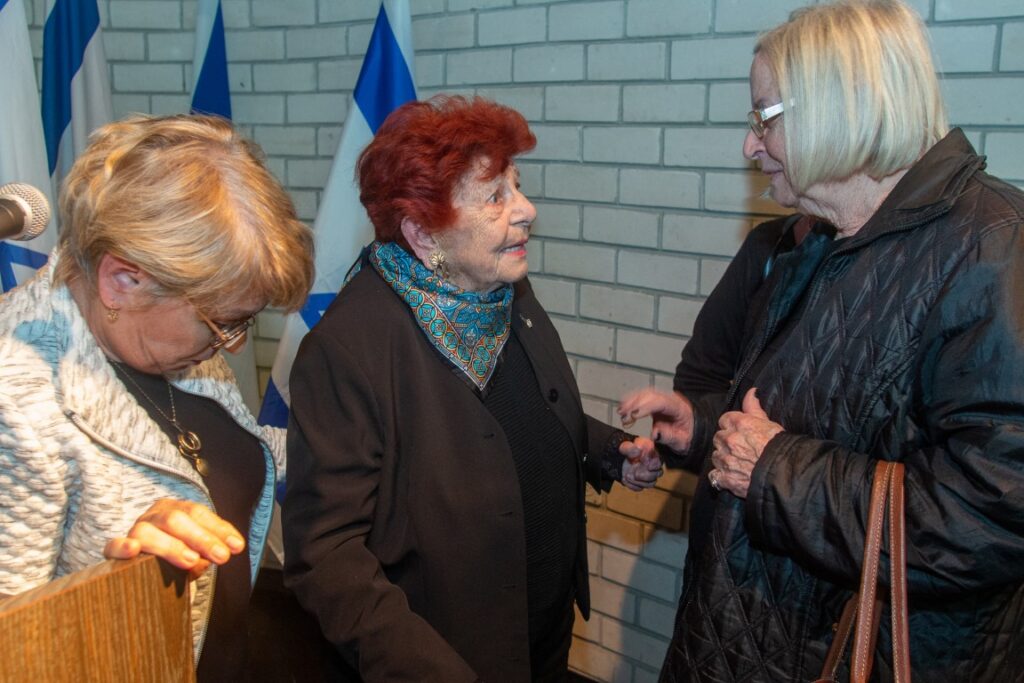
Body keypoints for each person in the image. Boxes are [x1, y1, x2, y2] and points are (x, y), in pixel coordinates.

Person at [619, 1, 1024, 680]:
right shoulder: (822, 241)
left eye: (764, 117)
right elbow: (810, 420)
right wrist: (708, 425)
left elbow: (993, 514)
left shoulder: (992, 248)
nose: (750, 146)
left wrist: (775, 471)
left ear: (842, 106)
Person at [282, 95, 664, 683]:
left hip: (543, 636)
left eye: (517, 187)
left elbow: (525, 416)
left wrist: (609, 450)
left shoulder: (503, 291)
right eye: (494, 198)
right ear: (422, 233)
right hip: (444, 659)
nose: (527, 210)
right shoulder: (348, 350)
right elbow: (326, 556)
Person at [0, 114, 315, 680]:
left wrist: (355, 447)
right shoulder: (16, 400)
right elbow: (14, 646)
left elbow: (212, 452)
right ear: (122, 280)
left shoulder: (155, 327)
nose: (234, 346)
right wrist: (117, 579)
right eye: (224, 323)